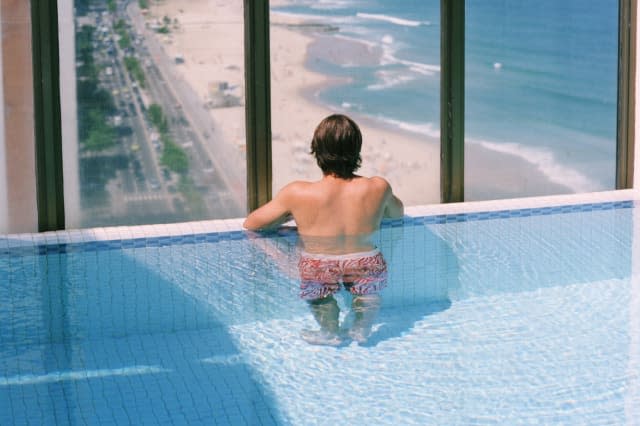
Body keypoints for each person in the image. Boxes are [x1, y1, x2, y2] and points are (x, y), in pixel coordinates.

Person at [243, 114, 404, 345]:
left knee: (320, 298)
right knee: (367, 293)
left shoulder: (298, 193)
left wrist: (292, 214)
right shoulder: (378, 187)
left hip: (319, 261)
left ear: (316, 150)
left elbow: (252, 224)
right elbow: (397, 213)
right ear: (357, 149)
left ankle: (330, 333)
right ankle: (361, 328)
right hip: (366, 259)